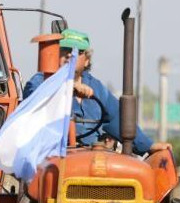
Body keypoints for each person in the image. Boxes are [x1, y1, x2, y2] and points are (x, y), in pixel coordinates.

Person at [22, 29, 171, 156]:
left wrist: (148, 145)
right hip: (53, 155)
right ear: (56, 54)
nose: (69, 55)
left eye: (76, 52)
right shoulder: (41, 80)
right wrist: (69, 87)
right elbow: (34, 99)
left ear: (86, 60)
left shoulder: (96, 87)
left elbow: (118, 119)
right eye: (65, 50)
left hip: (92, 156)